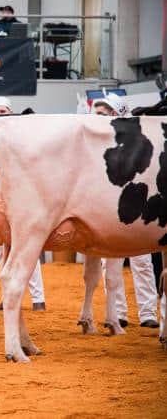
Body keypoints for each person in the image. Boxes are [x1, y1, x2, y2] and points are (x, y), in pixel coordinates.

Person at [93, 93, 160, 328]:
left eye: (104, 112)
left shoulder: (140, 138)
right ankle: (117, 312)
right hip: (110, 210)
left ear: (117, 113)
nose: (99, 117)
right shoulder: (95, 143)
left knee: (142, 261)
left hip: (138, 206)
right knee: (110, 263)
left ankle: (148, 313)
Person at [0, 97, 47, 311]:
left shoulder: (24, 137)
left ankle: (38, 298)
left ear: (10, 111)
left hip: (25, 197)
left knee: (27, 247)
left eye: (3, 111)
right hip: (0, 199)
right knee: (5, 251)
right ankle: (8, 297)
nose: (0, 115)